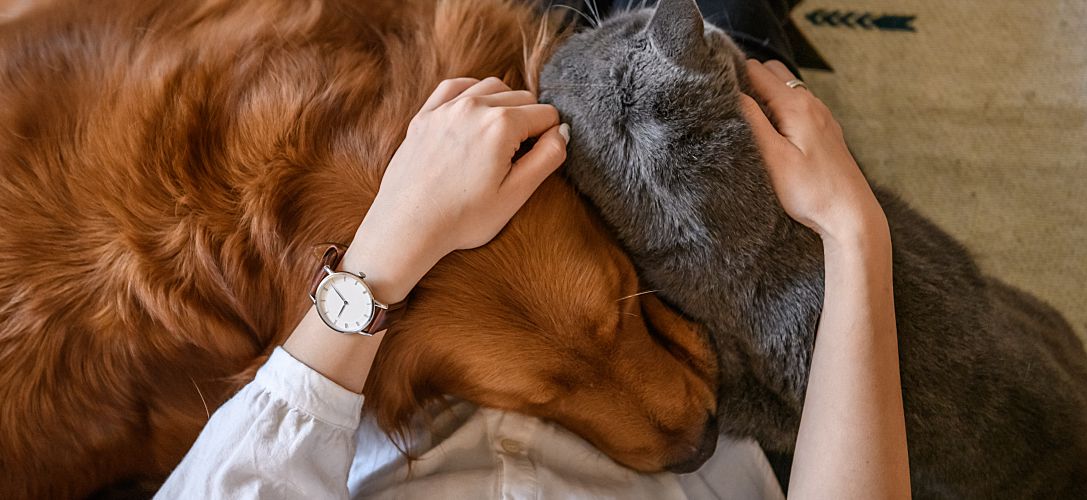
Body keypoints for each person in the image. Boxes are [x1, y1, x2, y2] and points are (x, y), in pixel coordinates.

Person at [157, 4, 910, 500]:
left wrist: (383, 253)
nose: (673, 425)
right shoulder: (680, 424)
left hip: (387, 300)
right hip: (750, 352)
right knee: (716, 32)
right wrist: (853, 233)